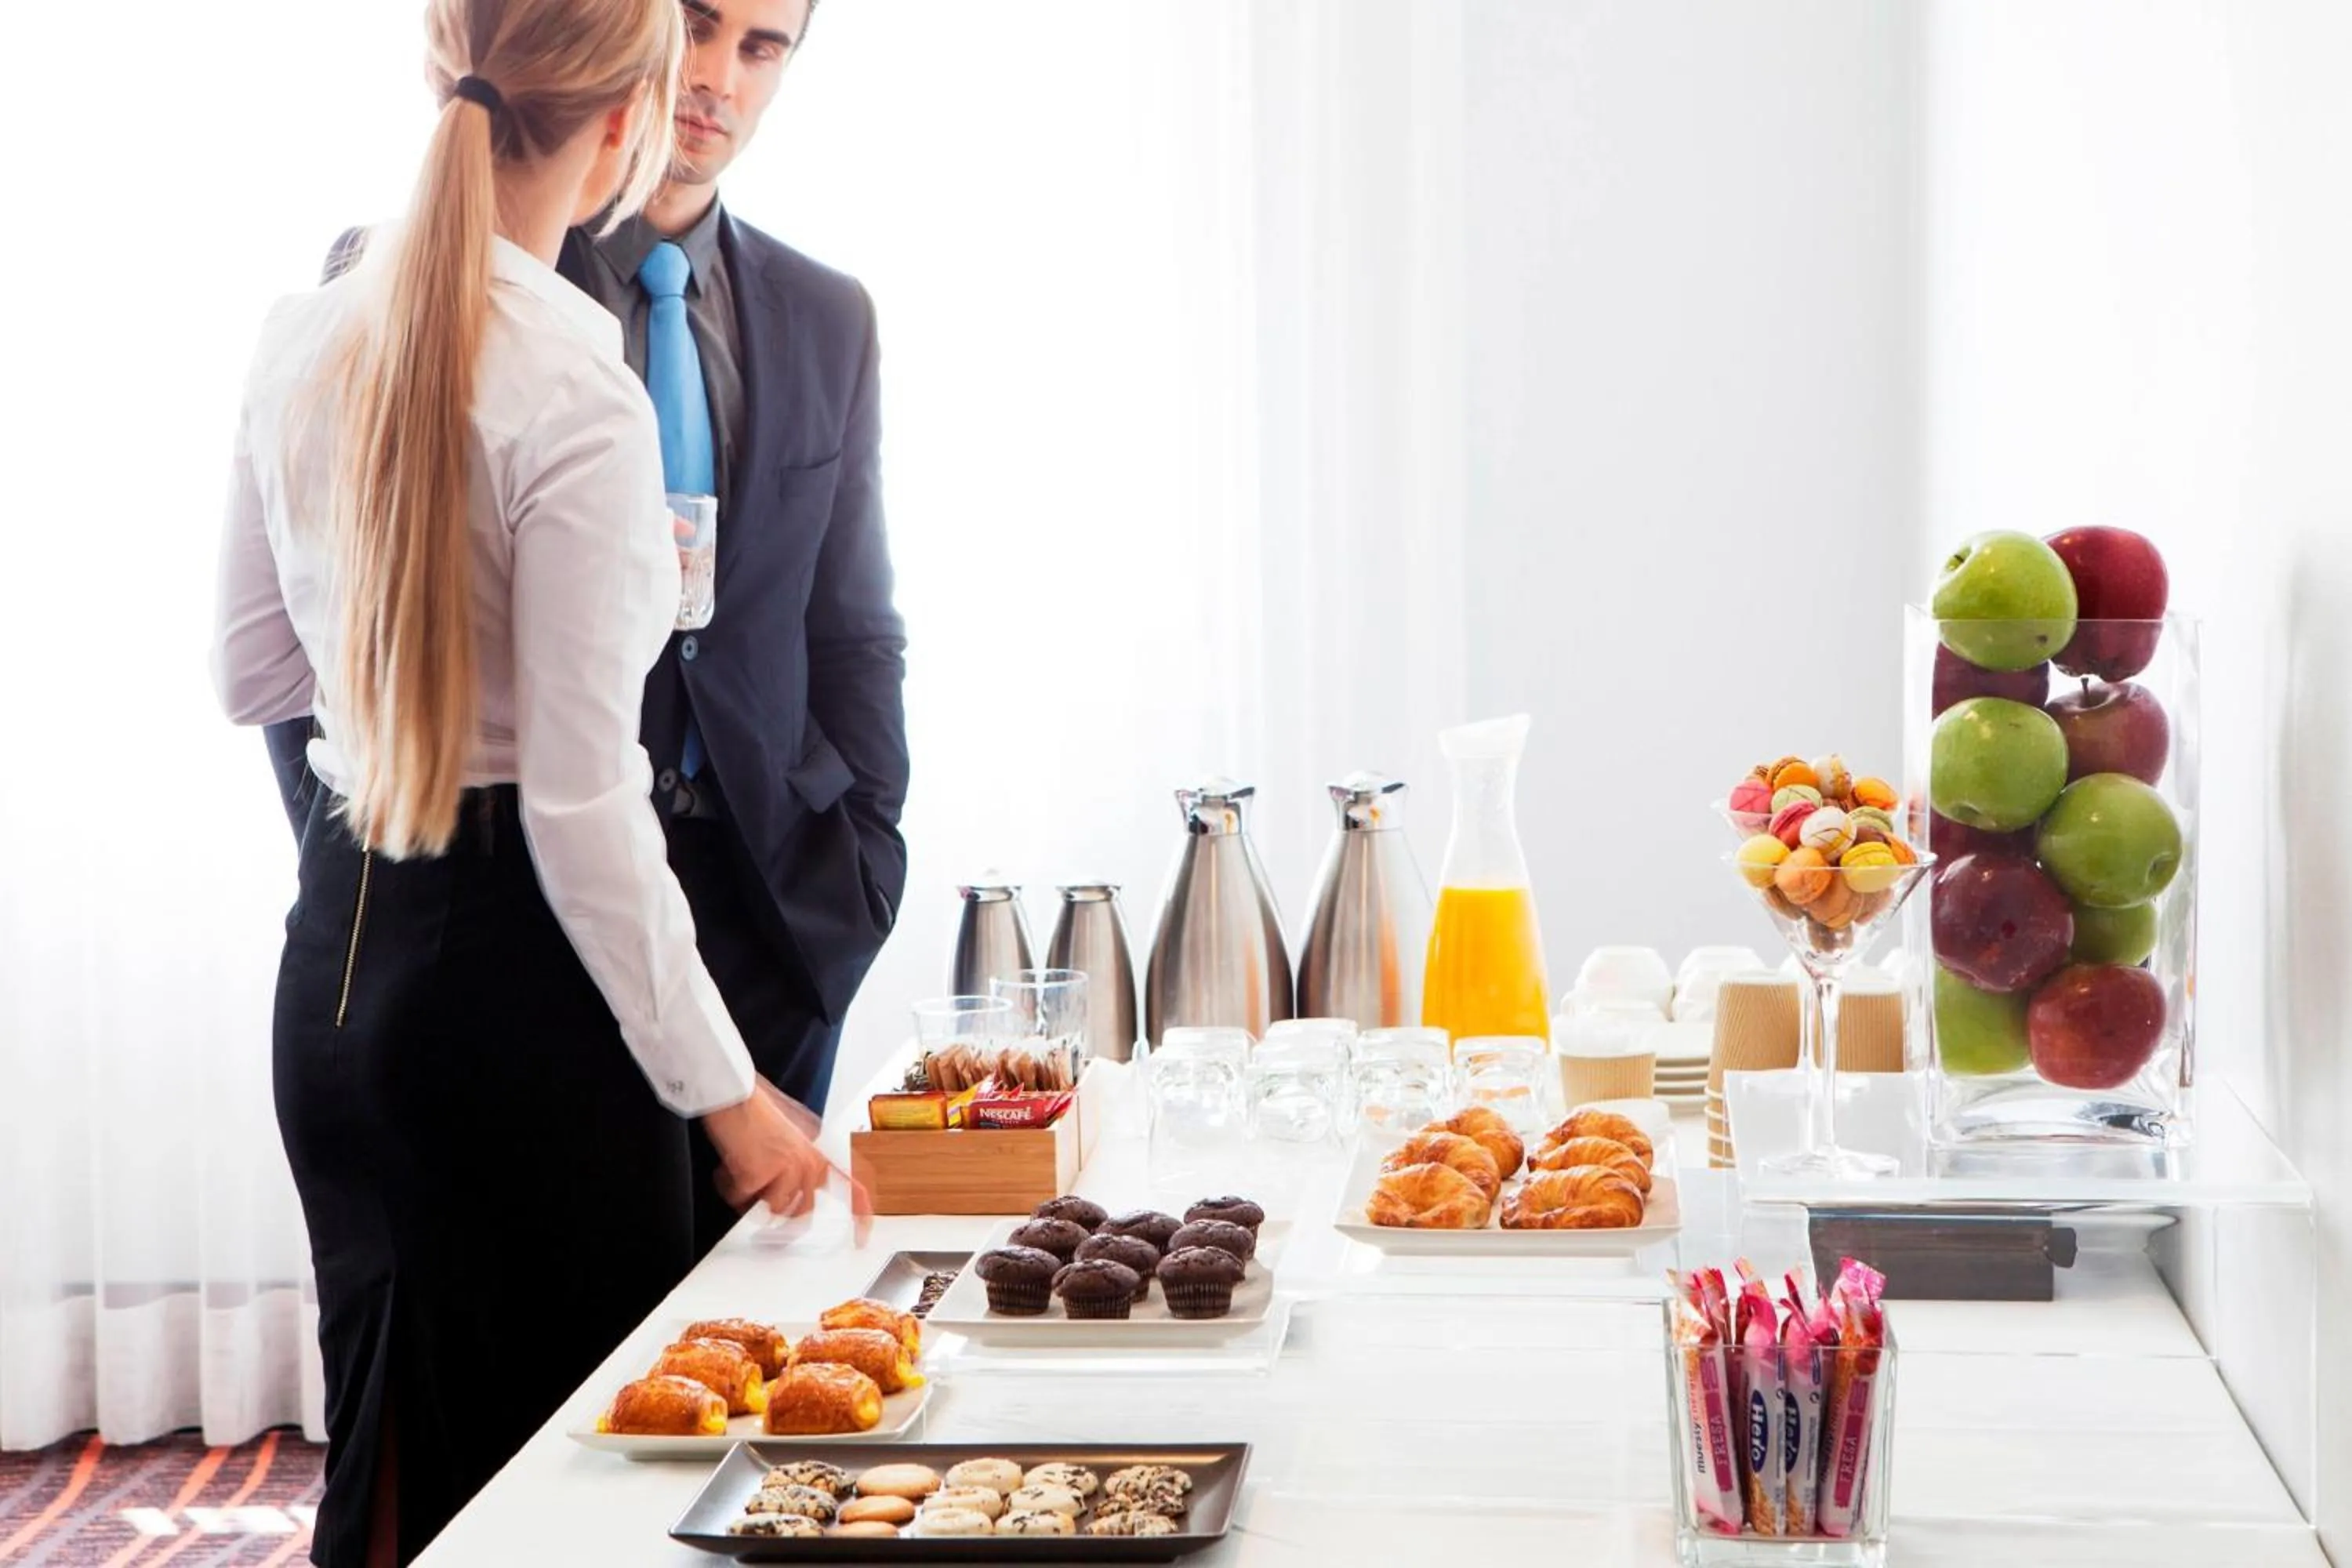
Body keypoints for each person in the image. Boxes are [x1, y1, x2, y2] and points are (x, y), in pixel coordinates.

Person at [210, 2, 857, 1562]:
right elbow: (582, 809)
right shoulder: (579, 393)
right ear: (626, 123)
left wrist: (400, 687)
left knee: (382, 1461)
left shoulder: (303, 334)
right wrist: (729, 1099)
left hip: (339, 966)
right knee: (565, 1496)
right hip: (524, 1010)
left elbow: (252, 676)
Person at [265, 0, 911, 1260]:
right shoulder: (421, 283)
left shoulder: (830, 315)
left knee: (750, 1375)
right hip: (523, 936)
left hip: (773, 918)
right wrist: (375, 855)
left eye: (762, 49)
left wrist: (861, 865)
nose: (715, 79)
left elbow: (854, 624)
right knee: (567, 1396)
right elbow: (321, 636)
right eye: (700, 28)